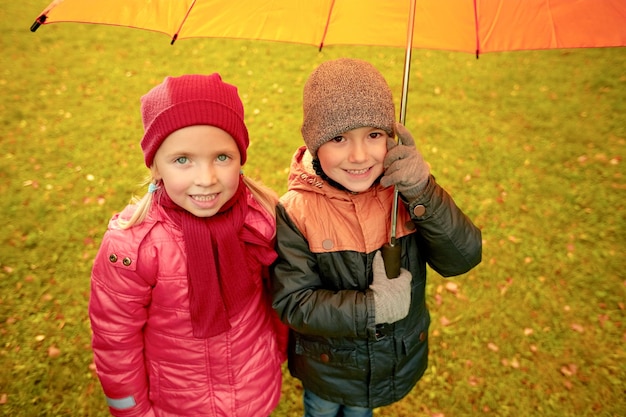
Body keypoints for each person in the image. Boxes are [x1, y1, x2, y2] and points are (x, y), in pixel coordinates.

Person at [271, 58, 482, 417]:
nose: (359, 156)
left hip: (390, 360)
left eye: (374, 135)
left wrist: (423, 191)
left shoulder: (408, 195)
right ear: (313, 143)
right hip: (326, 368)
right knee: (320, 410)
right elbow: (294, 303)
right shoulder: (296, 211)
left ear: (391, 136)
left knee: (359, 413)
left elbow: (462, 257)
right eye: (338, 138)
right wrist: (371, 309)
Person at [89, 73, 287, 417]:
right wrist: (131, 411)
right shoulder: (134, 247)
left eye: (222, 157)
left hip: (255, 388)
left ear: (241, 158)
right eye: (183, 159)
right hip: (178, 403)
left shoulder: (262, 219)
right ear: (156, 167)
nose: (206, 178)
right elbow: (115, 341)